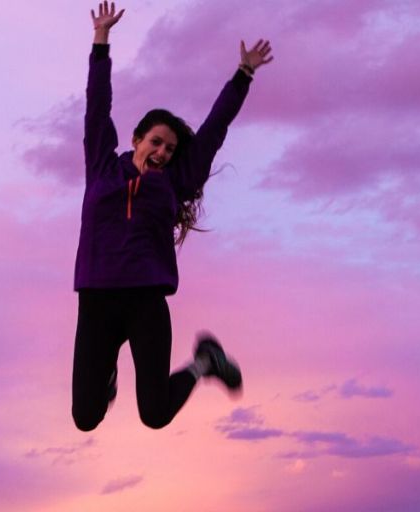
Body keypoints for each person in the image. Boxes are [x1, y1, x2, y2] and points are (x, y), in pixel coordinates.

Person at [72, 1, 273, 431]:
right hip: (96, 300)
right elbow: (97, 106)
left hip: (146, 300)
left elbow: (215, 129)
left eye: (169, 148)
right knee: (86, 418)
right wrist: (101, 41)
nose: (162, 152)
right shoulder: (102, 168)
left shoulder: (175, 181)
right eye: (157, 142)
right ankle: (106, 376)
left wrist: (244, 75)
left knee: (155, 414)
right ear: (137, 140)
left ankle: (204, 363)